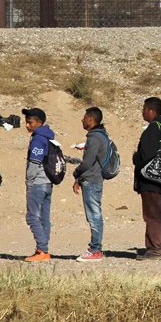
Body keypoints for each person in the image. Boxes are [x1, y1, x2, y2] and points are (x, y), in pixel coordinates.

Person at [133, 97, 161, 261]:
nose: (142, 112)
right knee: (160, 214)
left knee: (152, 215)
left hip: (151, 181)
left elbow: (146, 155)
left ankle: (155, 248)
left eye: (144, 109)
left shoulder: (153, 129)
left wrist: (136, 158)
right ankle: (160, 246)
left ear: (151, 110)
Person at [72, 106, 108, 262]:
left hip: (92, 181)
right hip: (93, 179)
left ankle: (95, 250)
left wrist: (76, 173)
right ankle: (95, 248)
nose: (82, 119)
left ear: (91, 119)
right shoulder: (100, 136)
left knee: (94, 216)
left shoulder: (94, 138)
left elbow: (87, 162)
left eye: (84, 117)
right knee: (94, 215)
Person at [22, 107, 55, 262]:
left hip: (38, 183)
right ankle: (43, 250)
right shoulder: (47, 136)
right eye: (26, 122)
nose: (27, 125)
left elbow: (34, 164)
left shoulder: (38, 139)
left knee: (32, 217)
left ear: (39, 123)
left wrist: (28, 183)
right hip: (47, 183)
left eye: (30, 122)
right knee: (44, 218)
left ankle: (42, 250)